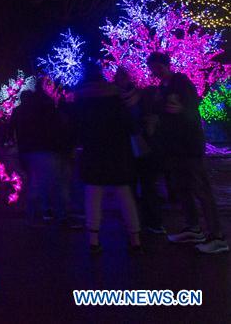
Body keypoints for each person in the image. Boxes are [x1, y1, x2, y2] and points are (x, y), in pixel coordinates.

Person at [146, 52, 228, 254]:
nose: (155, 71)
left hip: (189, 147)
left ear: (166, 65)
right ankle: (193, 228)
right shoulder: (163, 88)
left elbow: (189, 108)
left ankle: (217, 236)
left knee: (201, 189)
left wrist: (177, 110)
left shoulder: (180, 83)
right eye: (153, 68)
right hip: (174, 148)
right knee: (182, 187)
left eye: (158, 67)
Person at [73, 63, 141, 253]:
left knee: (93, 195)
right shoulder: (115, 95)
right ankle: (135, 239)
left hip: (93, 152)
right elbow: (130, 124)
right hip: (118, 151)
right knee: (124, 195)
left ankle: (93, 240)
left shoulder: (81, 98)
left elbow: (76, 128)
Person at [113, 67, 166, 234]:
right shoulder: (137, 97)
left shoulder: (122, 100)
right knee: (141, 185)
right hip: (134, 146)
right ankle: (144, 221)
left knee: (140, 185)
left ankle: (142, 221)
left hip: (135, 146)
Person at [10, 89, 74, 226]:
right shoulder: (48, 112)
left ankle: (40, 213)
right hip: (46, 150)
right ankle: (54, 213)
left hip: (28, 150)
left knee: (37, 182)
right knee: (54, 183)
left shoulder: (20, 111)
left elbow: (12, 129)